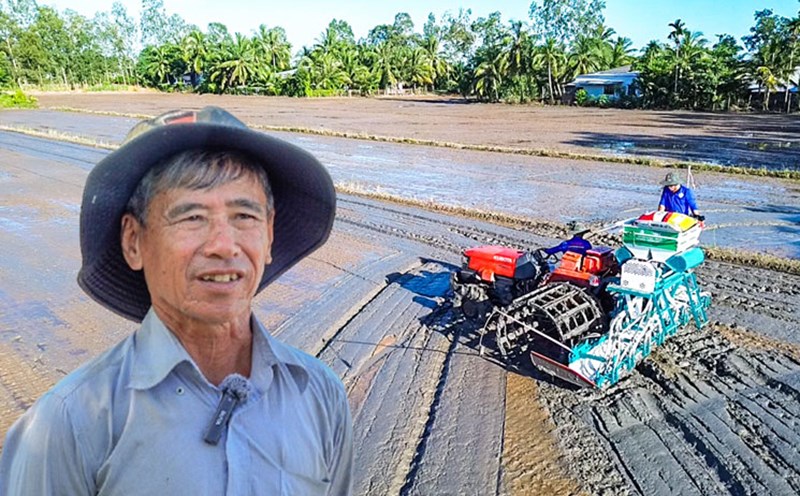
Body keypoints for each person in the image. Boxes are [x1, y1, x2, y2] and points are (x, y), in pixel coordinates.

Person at [0, 107, 353, 495]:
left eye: (244, 216)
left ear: (269, 235)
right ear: (134, 241)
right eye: (191, 217)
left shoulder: (320, 394)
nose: (224, 245)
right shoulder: (69, 422)